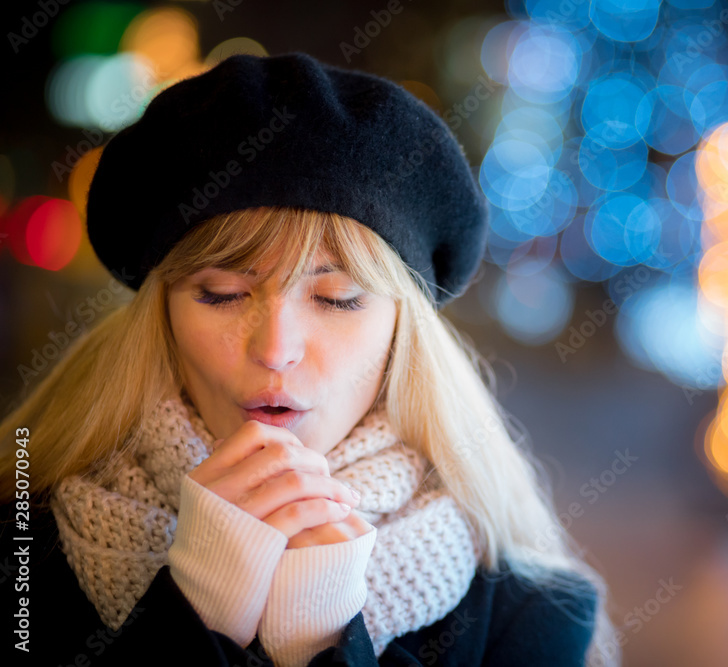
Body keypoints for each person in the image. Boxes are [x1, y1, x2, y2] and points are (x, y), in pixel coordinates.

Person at [0, 52, 620, 666]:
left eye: (337, 299)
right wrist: (192, 618)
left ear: (403, 333)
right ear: (160, 316)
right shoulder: (23, 548)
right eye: (222, 294)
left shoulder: (530, 616)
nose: (274, 350)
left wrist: (323, 643)